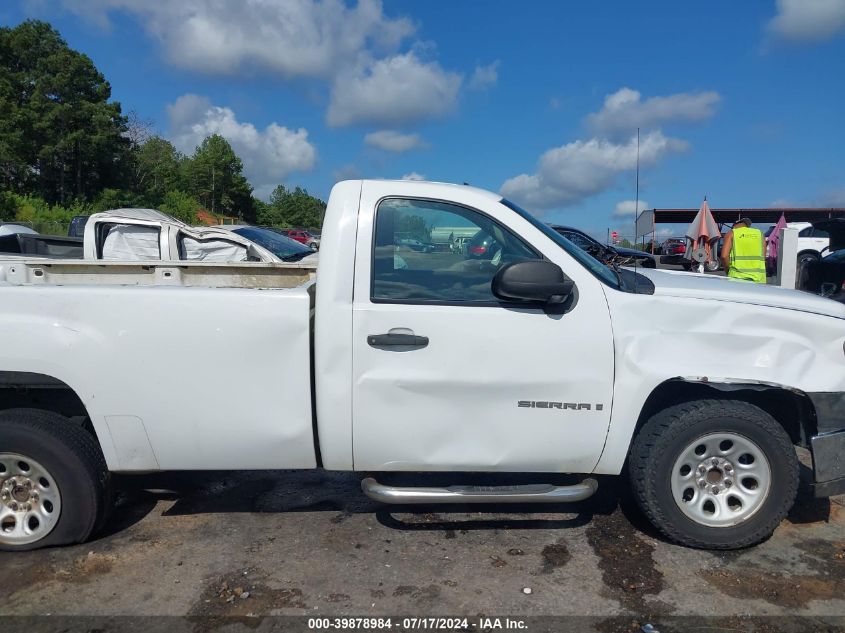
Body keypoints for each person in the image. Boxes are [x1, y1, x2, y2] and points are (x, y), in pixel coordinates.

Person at [720, 217, 767, 283]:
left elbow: (724, 256)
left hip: (737, 278)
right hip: (759, 279)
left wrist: (728, 271)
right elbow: (763, 256)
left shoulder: (732, 233)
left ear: (734, 225)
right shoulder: (759, 233)